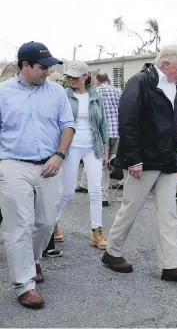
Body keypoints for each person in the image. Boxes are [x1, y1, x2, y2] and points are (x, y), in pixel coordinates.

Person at [102, 44, 177, 286]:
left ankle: (171, 266)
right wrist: (133, 158)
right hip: (143, 161)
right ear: (166, 63)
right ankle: (112, 253)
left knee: (168, 214)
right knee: (131, 208)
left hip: (167, 161)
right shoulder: (140, 82)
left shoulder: (173, 87)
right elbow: (128, 121)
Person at [0, 41, 75, 309]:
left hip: (50, 163)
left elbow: (67, 125)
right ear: (25, 66)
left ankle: (33, 260)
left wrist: (60, 154)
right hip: (13, 164)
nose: (47, 71)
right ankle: (24, 285)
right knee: (18, 224)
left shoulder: (57, 93)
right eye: (43, 67)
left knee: (45, 223)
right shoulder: (3, 93)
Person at [54, 60, 109, 250]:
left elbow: (103, 125)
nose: (71, 79)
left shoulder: (96, 96)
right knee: (67, 189)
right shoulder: (63, 95)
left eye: (75, 76)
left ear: (86, 76)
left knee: (96, 190)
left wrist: (105, 151)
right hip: (71, 146)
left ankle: (96, 232)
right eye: (69, 76)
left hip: (92, 146)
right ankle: (52, 223)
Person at [77, 72, 122, 207]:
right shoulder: (118, 91)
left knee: (102, 164)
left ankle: (103, 196)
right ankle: (84, 184)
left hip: (101, 133)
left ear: (97, 81)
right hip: (116, 132)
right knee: (105, 160)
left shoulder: (95, 92)